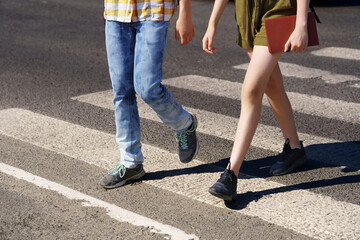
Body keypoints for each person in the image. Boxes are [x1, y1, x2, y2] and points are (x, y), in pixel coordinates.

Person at [202, 0, 309, 201]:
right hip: (247, 13)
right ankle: (295, 149)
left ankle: (230, 174)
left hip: (278, 8)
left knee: (251, 90)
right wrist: (212, 23)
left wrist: (301, 23)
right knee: (272, 86)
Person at [100, 0, 199, 189]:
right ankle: (131, 162)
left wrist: (185, 12)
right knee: (122, 90)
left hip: (154, 9)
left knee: (148, 88)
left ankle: (183, 123)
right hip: (116, 10)